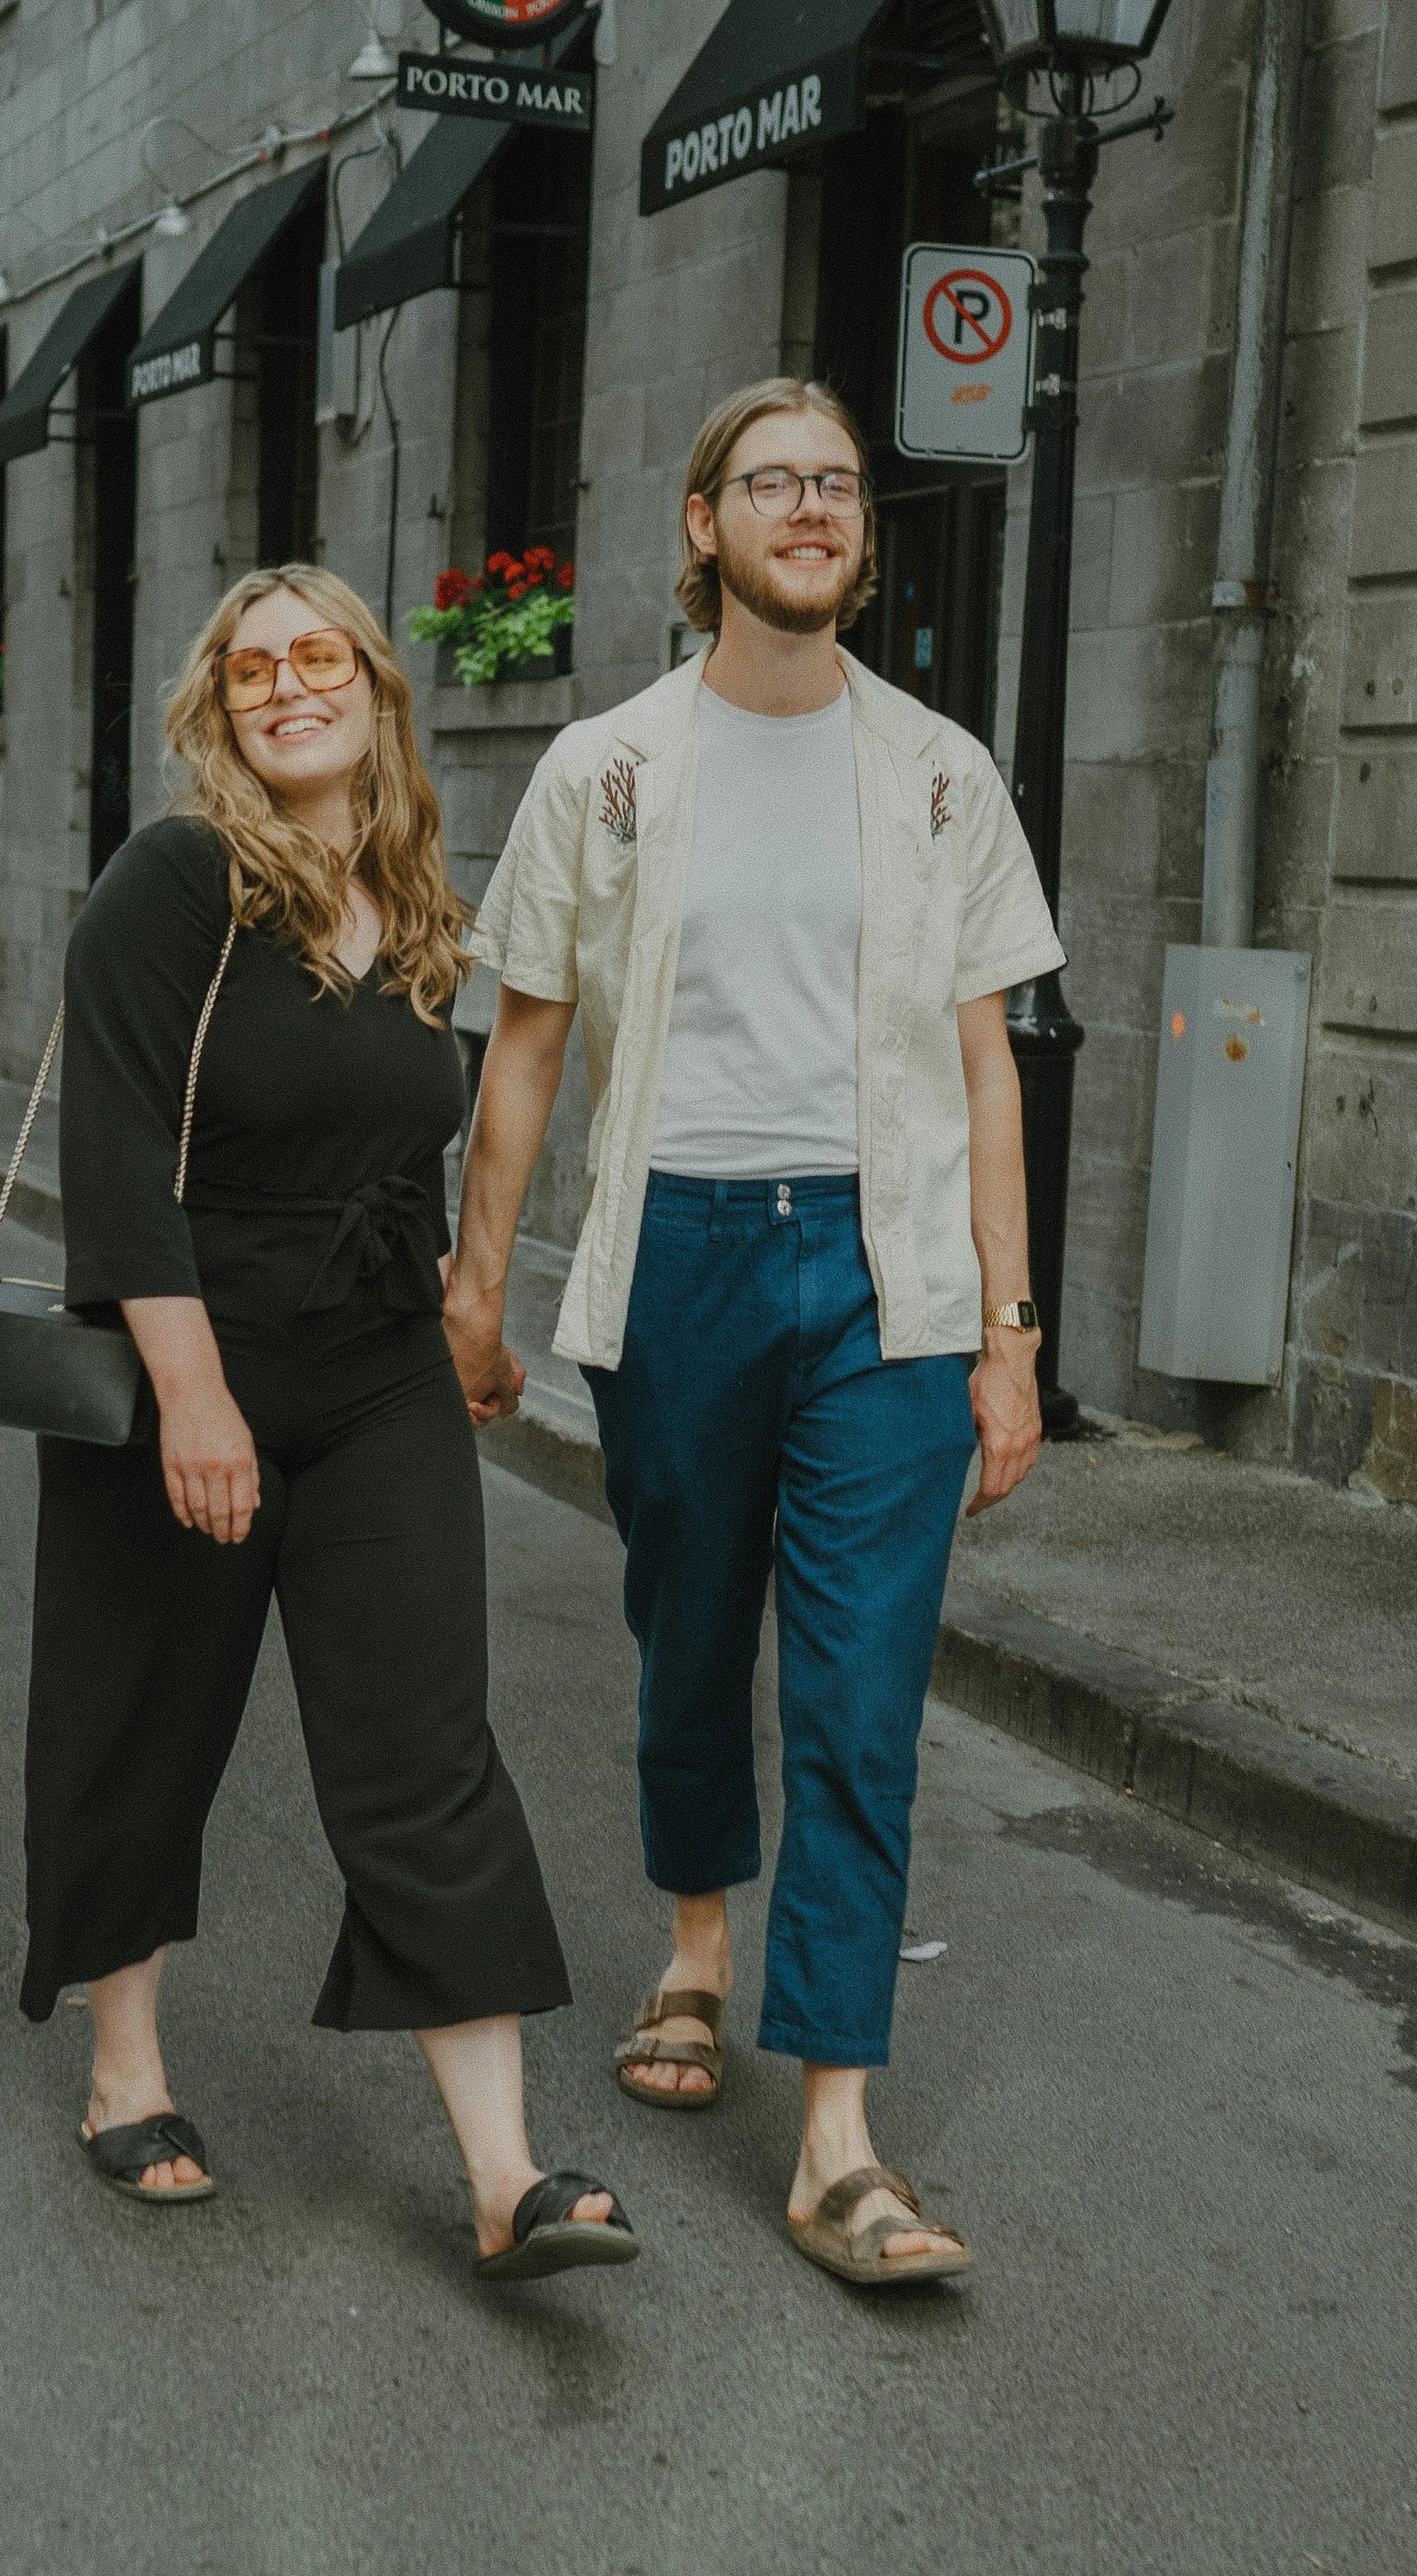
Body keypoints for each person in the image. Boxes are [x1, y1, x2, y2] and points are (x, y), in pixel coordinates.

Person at [444, 379, 1064, 2287]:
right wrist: (479, 1283)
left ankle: (838, 2139)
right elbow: (527, 1039)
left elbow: (986, 1059)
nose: (817, 505)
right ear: (702, 525)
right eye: (774, 480)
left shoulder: (945, 770)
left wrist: (1012, 1328)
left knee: (864, 1698)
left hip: (888, 1279)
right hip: (683, 1254)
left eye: (842, 484)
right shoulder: (605, 769)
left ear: (862, 537)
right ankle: (697, 1946)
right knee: (689, 1629)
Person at [20, 563, 636, 2282]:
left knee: (423, 1745)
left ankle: (505, 2173)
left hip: (375, 1380)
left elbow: (398, 1143)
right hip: (186, 1364)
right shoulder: (173, 884)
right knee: (153, 1714)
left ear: (374, 686)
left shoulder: (407, 892)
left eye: (318, 658)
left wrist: (461, 1305)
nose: (285, 686)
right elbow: (118, 1161)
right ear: (216, 711)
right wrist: (195, 1399)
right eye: (249, 669)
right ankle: (124, 2073)